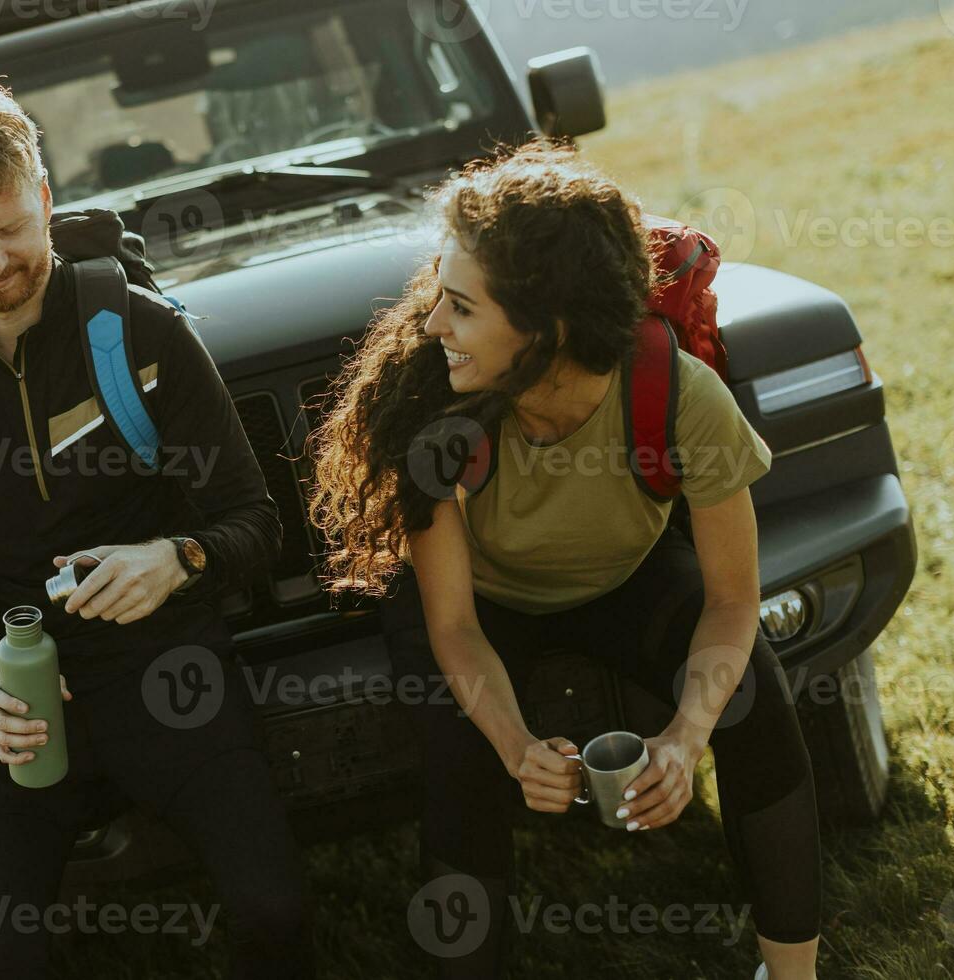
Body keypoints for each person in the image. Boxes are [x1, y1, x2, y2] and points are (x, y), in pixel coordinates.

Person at [307, 139, 821, 980]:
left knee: (752, 696)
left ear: (543, 330)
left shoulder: (682, 395)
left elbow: (732, 602)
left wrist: (686, 739)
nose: (433, 323)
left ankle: (793, 973)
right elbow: (455, 625)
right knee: (460, 767)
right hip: (483, 600)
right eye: (440, 294)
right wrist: (516, 748)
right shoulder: (436, 414)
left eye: (462, 308)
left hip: (624, 576)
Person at [0, 71, 313, 979]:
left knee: (275, 909)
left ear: (44, 197)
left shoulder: (143, 331)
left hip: (167, 664)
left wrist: (178, 559)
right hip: (21, 689)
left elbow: (256, 520)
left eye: (11, 229)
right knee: (1, 949)